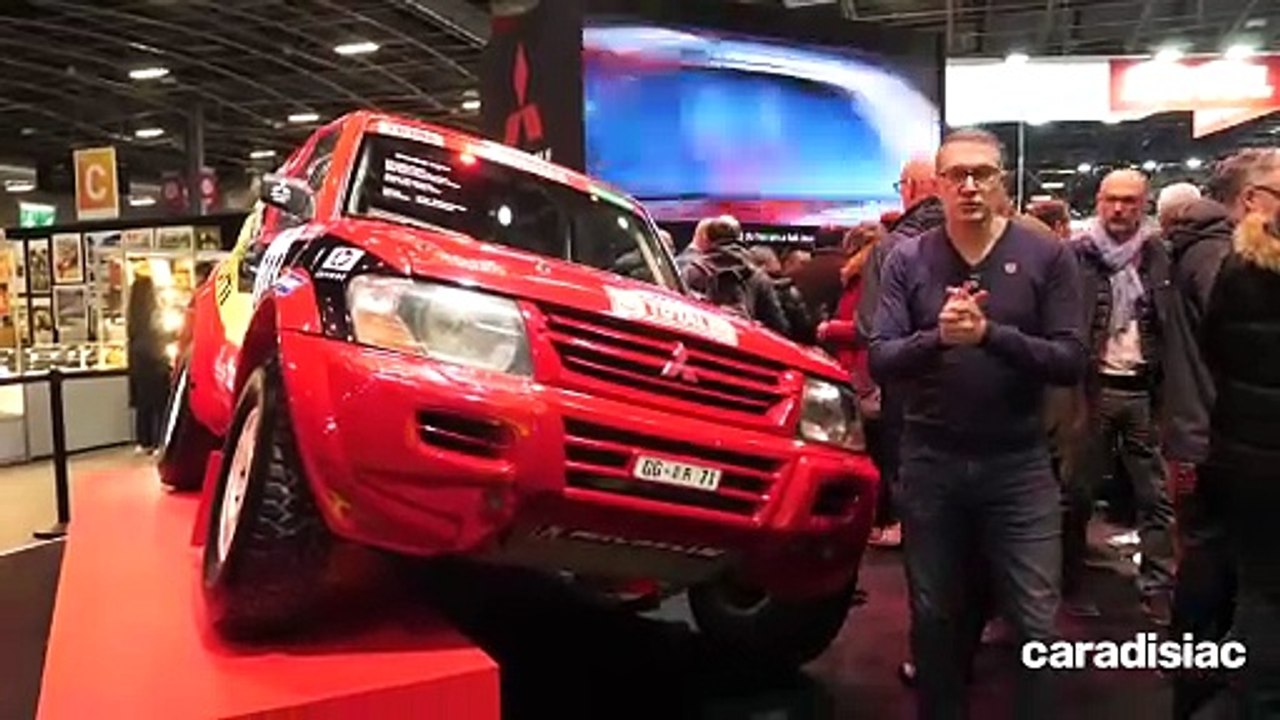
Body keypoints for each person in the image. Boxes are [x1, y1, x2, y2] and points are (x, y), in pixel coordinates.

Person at [870, 128, 1086, 719]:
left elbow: (1070, 359)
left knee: (1038, 624)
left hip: (1018, 462)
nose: (969, 186)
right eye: (956, 174)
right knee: (936, 616)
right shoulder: (906, 258)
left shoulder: (1048, 256)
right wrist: (937, 339)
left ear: (1001, 182)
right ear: (936, 185)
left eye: (982, 174)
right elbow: (881, 358)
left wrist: (991, 336)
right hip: (931, 460)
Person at [1165, 149, 1280, 718]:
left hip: (1225, 443)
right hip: (1229, 447)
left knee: (1225, 587)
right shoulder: (1228, 258)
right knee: (1235, 595)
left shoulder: (1211, 254)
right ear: (1254, 200)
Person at [1071, 169, 1176, 625]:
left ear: (1144, 204)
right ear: (1098, 201)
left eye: (1130, 201)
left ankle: (1157, 584)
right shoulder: (1076, 256)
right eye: (1112, 200)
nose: (1119, 209)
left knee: (1155, 495)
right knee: (1075, 494)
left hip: (1143, 391)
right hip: (1089, 392)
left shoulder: (1159, 257)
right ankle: (1072, 584)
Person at [857, 157, 945, 684]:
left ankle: (935, 653)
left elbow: (875, 337)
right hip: (986, 409)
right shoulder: (1002, 246)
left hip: (910, 407)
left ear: (911, 190)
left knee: (927, 533)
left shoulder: (888, 250)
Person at [1201, 175, 1280, 718]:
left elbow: (1214, 350)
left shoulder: (1236, 267)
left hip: (1244, 454)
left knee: (1260, 589)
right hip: (1255, 452)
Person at [815, 224, 892, 537]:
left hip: (861, 372)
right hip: (861, 372)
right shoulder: (862, 275)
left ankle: (874, 518)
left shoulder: (865, 278)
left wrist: (828, 329)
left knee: (867, 451)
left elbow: (866, 327)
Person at [678, 215, 790, 336]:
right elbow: (779, 327)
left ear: (707, 239)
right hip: (745, 345)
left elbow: (681, 317)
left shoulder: (693, 271)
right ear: (739, 237)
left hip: (705, 343)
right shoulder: (758, 276)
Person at [127, 274, 170, 454]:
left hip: (138, 362)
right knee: (160, 404)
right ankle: (159, 441)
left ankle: (143, 442)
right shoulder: (155, 312)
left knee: (144, 405)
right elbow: (162, 334)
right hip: (156, 361)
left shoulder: (133, 315)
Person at [748, 245, 817, 345]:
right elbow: (803, 331)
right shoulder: (787, 290)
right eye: (803, 264)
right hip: (785, 347)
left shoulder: (743, 286)